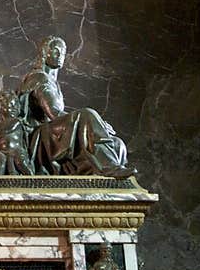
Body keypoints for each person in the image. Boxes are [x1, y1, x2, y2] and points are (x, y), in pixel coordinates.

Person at [19, 36, 132, 177]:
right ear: (44, 53)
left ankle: (106, 178)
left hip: (56, 133)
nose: (60, 55)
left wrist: (98, 126)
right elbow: (54, 114)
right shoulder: (39, 78)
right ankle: (108, 167)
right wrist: (92, 123)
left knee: (117, 143)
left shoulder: (54, 83)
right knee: (86, 114)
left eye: (63, 52)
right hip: (40, 136)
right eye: (55, 51)